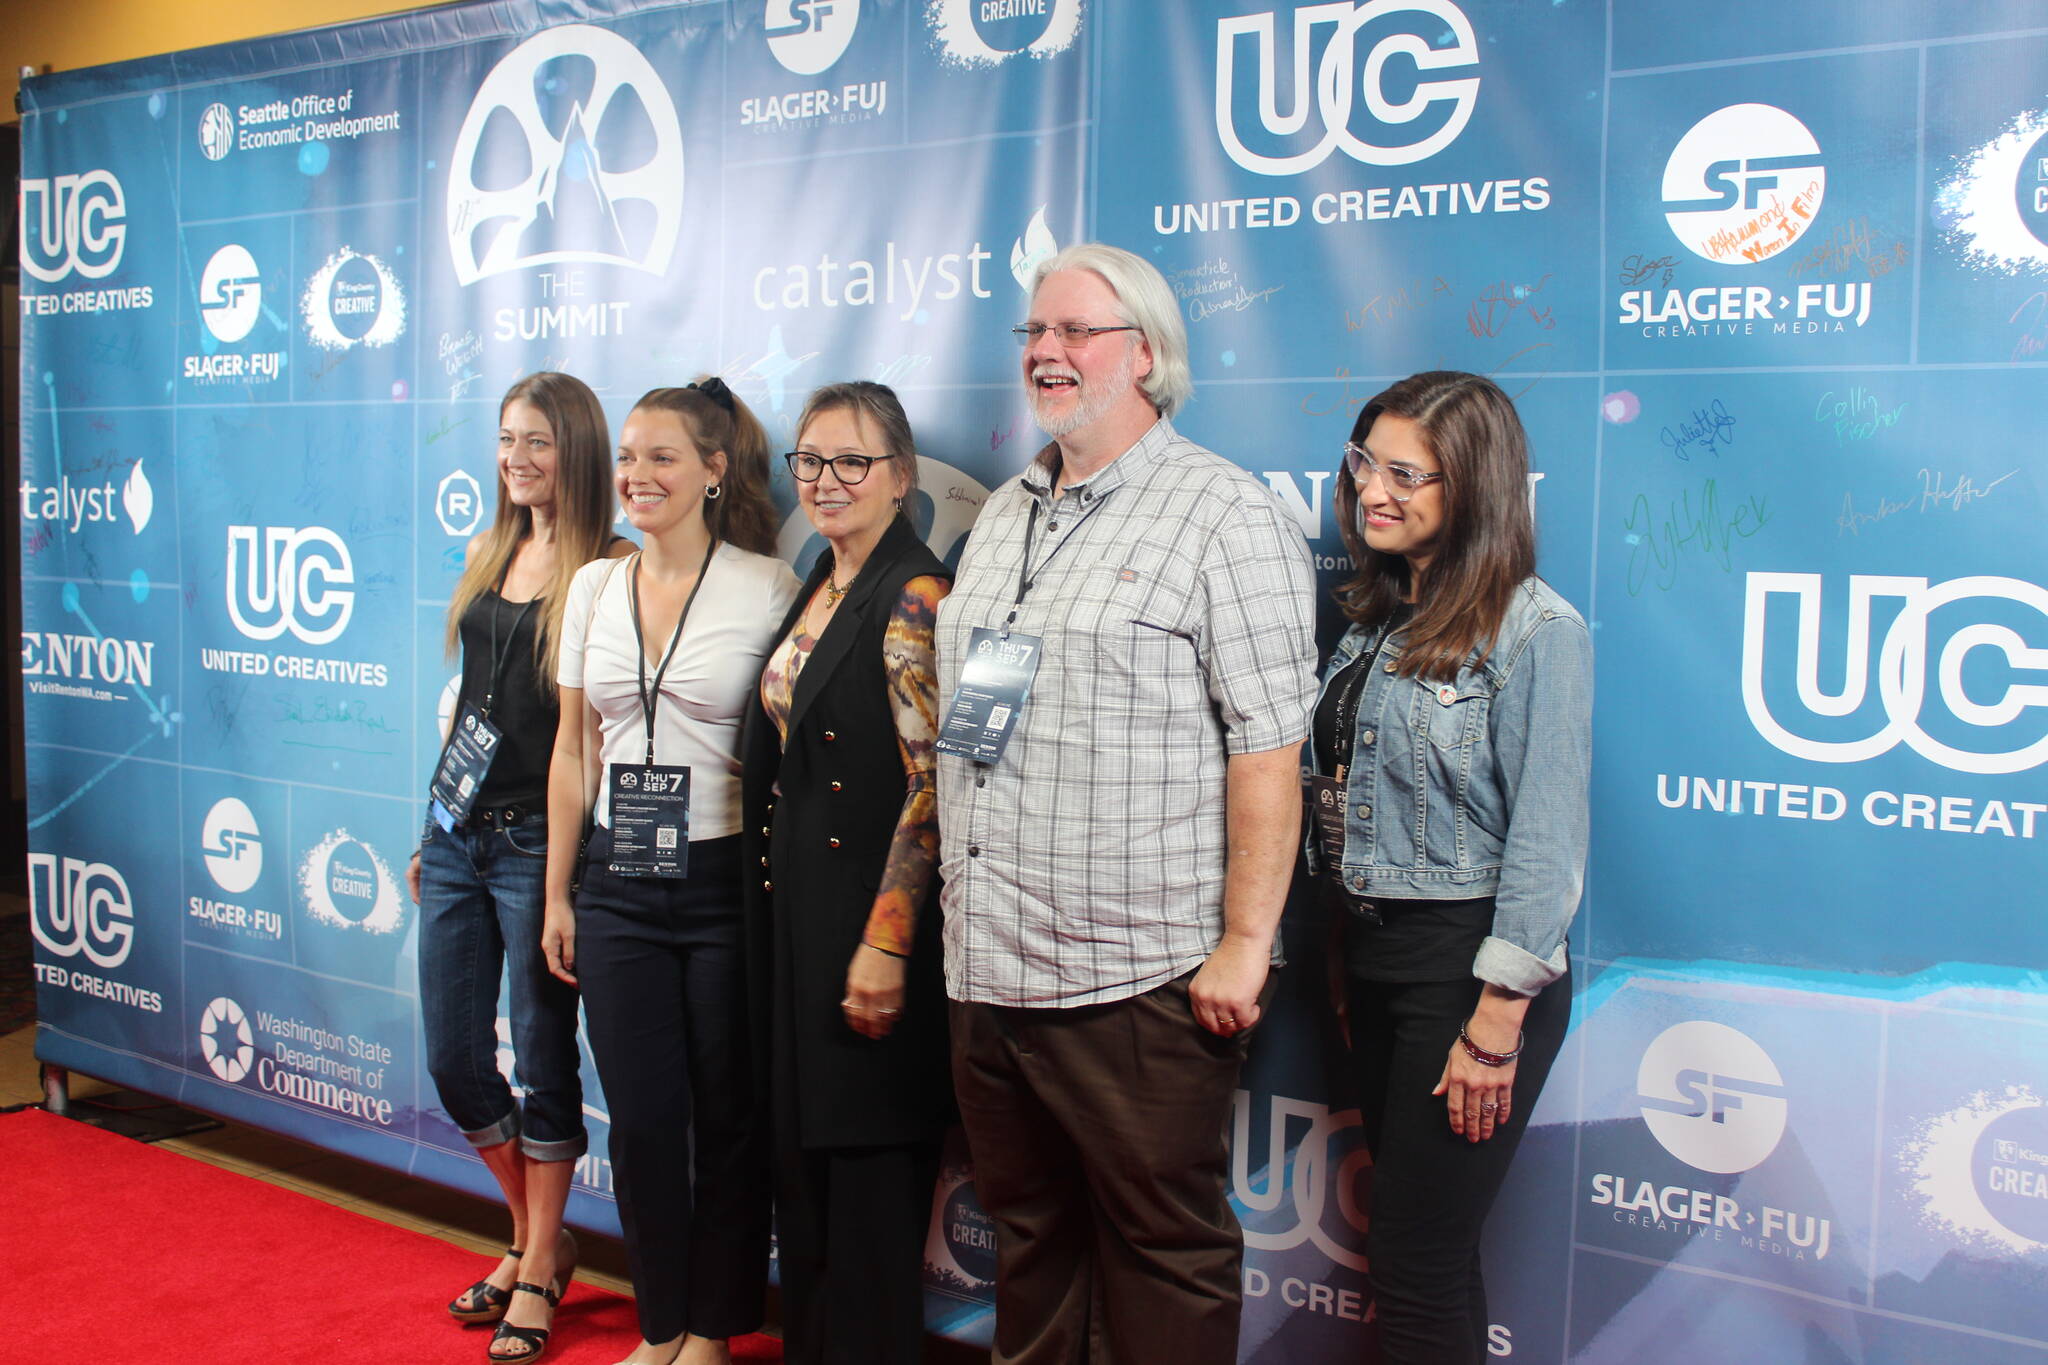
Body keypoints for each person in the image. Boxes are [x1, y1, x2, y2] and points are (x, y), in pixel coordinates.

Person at [934, 243, 1318, 1365]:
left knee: (1162, 1253)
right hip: (986, 965)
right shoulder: (1004, 510)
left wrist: (1246, 942)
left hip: (1133, 974)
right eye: (1032, 335)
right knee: (1029, 1241)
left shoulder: (1224, 516)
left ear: (1145, 355)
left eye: (1074, 333)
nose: (1045, 353)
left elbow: (1266, 749)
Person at [1309, 371, 1589, 1364]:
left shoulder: (1535, 630)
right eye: (1360, 464)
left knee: (1415, 1263)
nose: (1369, 491)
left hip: (1467, 973)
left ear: (1469, 486)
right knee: (1432, 1258)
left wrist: (1494, 1025)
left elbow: (1545, 845)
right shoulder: (1374, 619)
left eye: (1403, 473)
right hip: (1379, 959)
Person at [541, 379, 798, 1365]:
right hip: (615, 885)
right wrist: (562, 889)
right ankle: (659, 1324)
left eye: (663, 457)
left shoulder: (765, 586)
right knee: (643, 1120)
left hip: (724, 880)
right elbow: (575, 751)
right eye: (628, 457)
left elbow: (786, 750)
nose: (638, 476)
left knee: (725, 1113)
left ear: (713, 470)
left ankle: (713, 1330)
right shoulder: (593, 588)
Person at [409, 371, 629, 1361]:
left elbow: (593, 736)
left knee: (544, 1060)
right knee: (457, 1058)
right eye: (505, 440)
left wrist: (567, 882)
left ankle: (536, 1263)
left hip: (541, 845)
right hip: (458, 835)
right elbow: (470, 709)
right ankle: (538, 1233)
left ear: (575, 450)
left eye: (536, 441)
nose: (515, 459)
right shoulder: (489, 546)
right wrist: (430, 826)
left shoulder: (610, 568)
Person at [739, 382, 954, 1365]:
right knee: (809, 1200)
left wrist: (886, 942)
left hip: (872, 941)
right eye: (808, 461)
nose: (824, 481)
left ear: (901, 476)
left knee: (866, 1210)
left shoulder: (916, 595)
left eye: (850, 462)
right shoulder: (818, 582)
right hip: (799, 933)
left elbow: (935, 787)